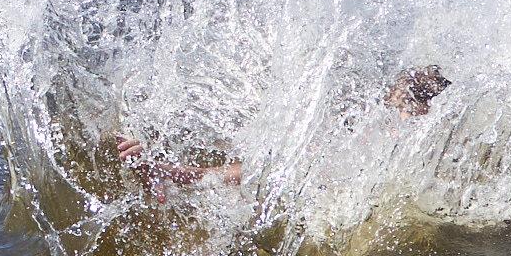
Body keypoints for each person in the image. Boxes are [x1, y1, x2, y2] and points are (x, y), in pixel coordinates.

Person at [118, 66, 450, 200]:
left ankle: (166, 174)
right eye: (397, 102)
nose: (393, 104)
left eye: (404, 101)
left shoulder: (428, 143)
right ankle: (165, 173)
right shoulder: (362, 141)